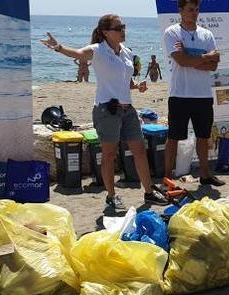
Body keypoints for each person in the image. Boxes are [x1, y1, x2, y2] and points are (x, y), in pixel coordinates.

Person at [40, 15, 165, 210]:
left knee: (140, 150)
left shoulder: (127, 53)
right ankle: (111, 196)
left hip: (128, 109)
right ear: (105, 32)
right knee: (108, 155)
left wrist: (137, 86)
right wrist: (58, 47)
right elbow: (79, 54)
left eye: (123, 27)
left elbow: (125, 82)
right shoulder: (98, 50)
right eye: (118, 28)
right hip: (107, 110)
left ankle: (149, 192)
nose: (123, 30)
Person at [162, 0, 225, 187]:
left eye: (197, 9)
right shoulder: (172, 32)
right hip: (180, 94)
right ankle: (167, 177)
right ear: (181, 11)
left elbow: (214, 66)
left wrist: (192, 57)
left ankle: (205, 175)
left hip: (203, 95)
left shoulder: (207, 34)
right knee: (174, 137)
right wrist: (204, 57)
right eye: (190, 9)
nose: (194, 13)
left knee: (203, 136)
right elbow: (181, 61)